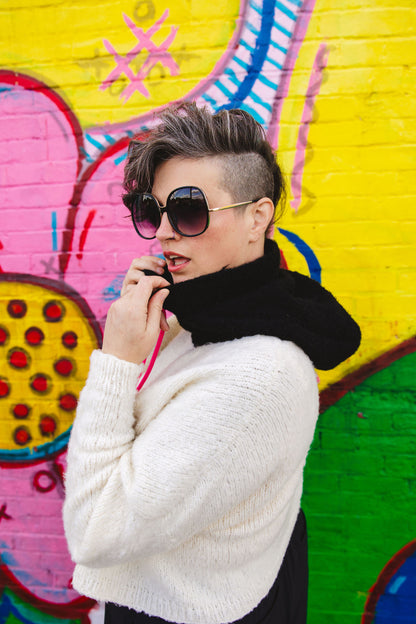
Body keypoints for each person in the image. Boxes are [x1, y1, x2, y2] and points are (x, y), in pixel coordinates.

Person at [63, 103, 361, 624]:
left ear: (257, 217)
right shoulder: (204, 321)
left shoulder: (257, 376)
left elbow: (95, 531)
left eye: (189, 210)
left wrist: (116, 362)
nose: (164, 233)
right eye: (151, 212)